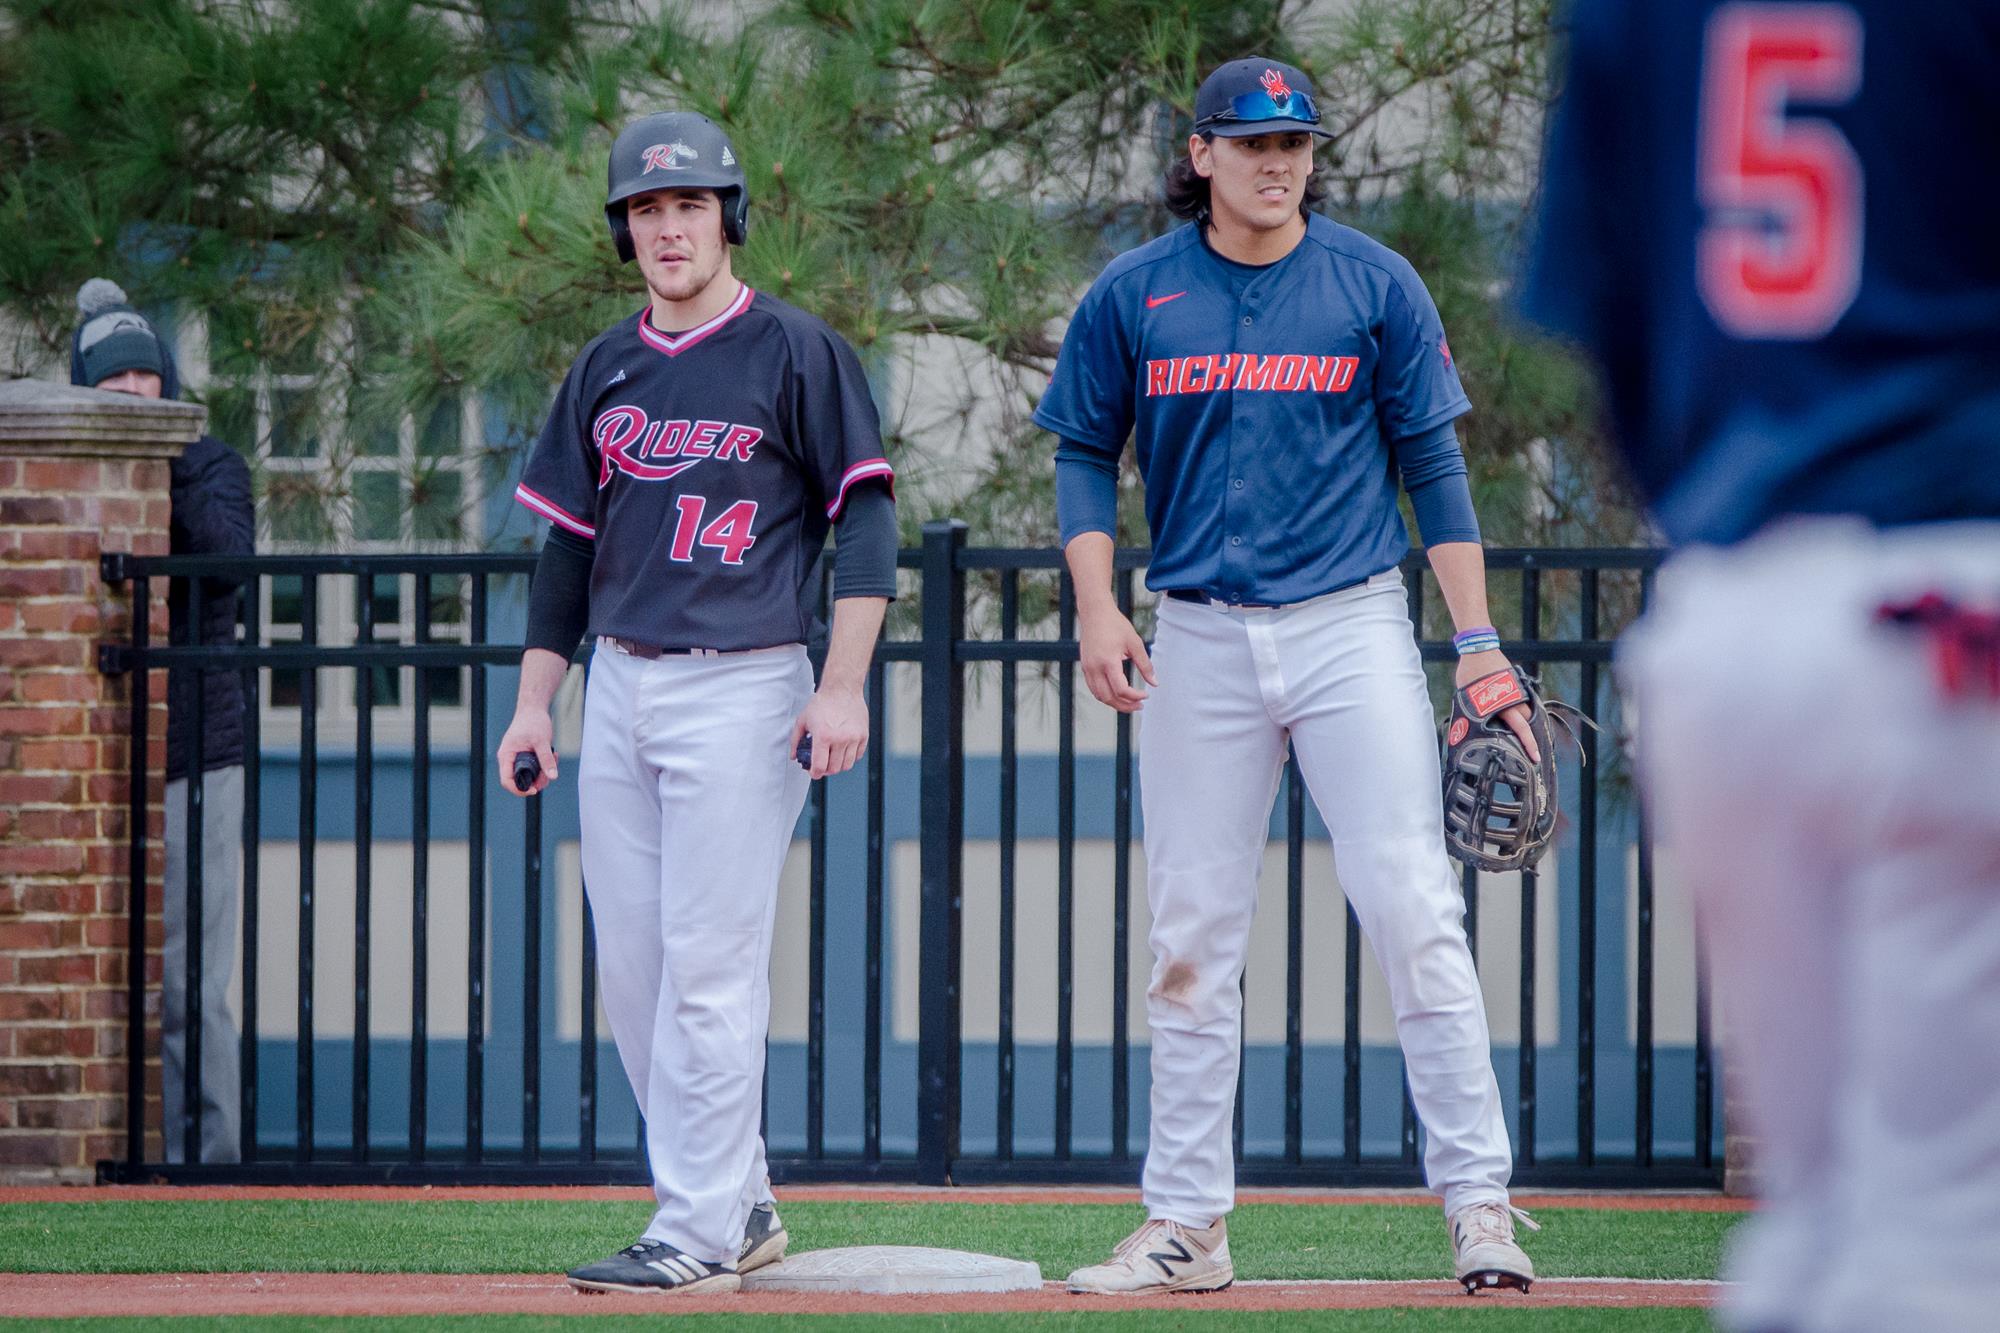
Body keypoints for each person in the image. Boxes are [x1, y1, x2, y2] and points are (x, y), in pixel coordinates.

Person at [1522, 4, 2000, 1330]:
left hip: (1732, 624)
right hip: (1953, 597)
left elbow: (1610, 331)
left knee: (1824, 1213)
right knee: (1948, 1242)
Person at [1038, 57, 1540, 1295]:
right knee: (1190, 939)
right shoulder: (1134, 292)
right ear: (1199, 154)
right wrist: (1099, 609)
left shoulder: (1372, 282)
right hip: (1197, 632)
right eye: (1251, 141)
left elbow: (1434, 471)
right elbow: (1080, 457)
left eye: (1295, 141)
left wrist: (1476, 646)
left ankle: (1478, 1201)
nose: (1277, 161)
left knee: (1414, 908)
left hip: (1349, 624)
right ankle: (1187, 1225)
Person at [497, 110, 897, 1296]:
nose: (666, 227)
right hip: (620, 681)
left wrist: (841, 687)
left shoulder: (792, 348)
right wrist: (534, 706)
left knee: (710, 966)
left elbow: (863, 520)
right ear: (623, 232)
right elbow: (566, 550)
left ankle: (692, 1228)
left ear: (731, 216)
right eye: (645, 210)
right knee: (634, 972)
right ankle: (742, 1197)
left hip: (744, 683)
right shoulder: (603, 365)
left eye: (688, 206)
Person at [71, 278, 255, 1164]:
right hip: (88, 762)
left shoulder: (209, 465)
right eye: (115, 386)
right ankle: (108, 1159)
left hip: (197, 755)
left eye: (148, 381)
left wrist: (157, 461)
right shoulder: (62, 477)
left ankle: (204, 1166)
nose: (134, 395)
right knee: (88, 978)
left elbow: (226, 565)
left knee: (191, 983)